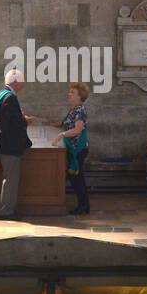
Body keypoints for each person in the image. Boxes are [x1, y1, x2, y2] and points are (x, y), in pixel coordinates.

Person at [0, 68, 32, 219]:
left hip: (4, 143)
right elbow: (14, 123)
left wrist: (20, 117)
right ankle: (6, 211)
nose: (23, 83)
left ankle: (6, 209)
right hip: (9, 145)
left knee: (8, 179)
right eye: (22, 81)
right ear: (15, 82)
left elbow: (7, 118)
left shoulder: (2, 94)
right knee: (10, 180)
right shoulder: (10, 97)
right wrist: (25, 120)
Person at [54, 82, 90, 216]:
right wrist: (44, 123)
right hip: (72, 148)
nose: (69, 94)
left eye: (72, 92)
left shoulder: (80, 110)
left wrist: (62, 134)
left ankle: (84, 206)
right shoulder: (73, 109)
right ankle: (83, 205)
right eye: (70, 92)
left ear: (80, 96)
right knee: (75, 176)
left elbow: (78, 129)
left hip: (78, 149)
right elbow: (63, 124)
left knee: (76, 177)